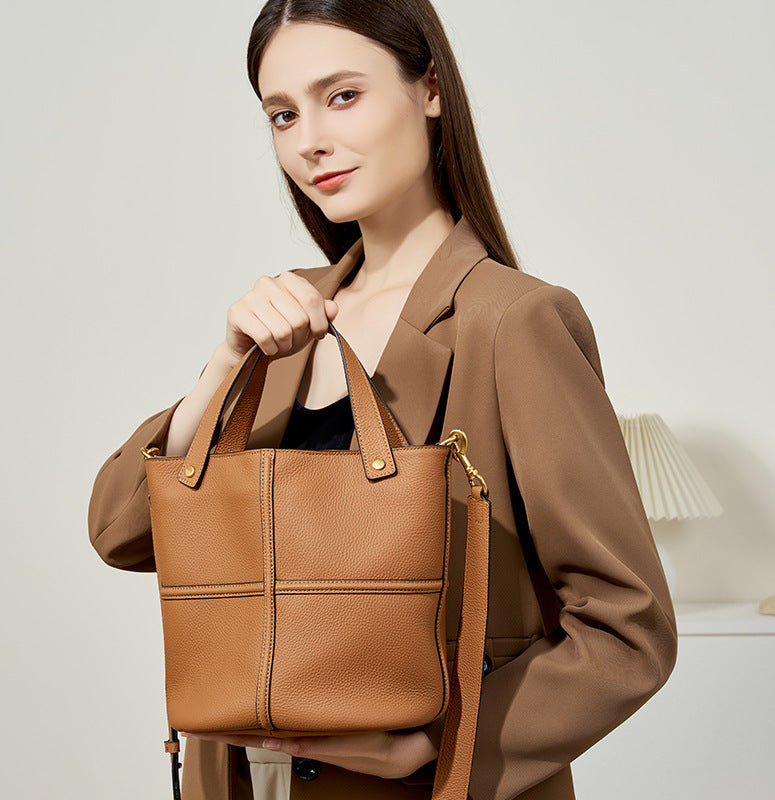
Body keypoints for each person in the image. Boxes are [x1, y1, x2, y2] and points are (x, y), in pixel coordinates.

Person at [87, 1, 679, 799]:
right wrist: (223, 366)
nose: (308, 142)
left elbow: (627, 629)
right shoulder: (285, 320)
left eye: (342, 96)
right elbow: (120, 532)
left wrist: (442, 743)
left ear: (430, 87)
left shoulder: (512, 322)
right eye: (282, 114)